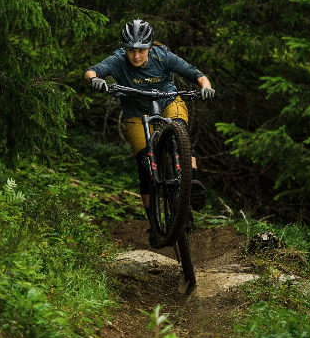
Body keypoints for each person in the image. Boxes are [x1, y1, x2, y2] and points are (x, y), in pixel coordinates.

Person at [83, 18, 215, 224]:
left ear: (150, 47)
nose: (136, 55)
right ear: (124, 48)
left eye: (141, 50)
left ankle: (191, 184)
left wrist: (205, 87)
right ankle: (153, 221)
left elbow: (196, 74)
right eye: (131, 50)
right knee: (145, 163)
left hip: (169, 101)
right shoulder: (118, 60)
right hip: (136, 113)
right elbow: (91, 71)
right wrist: (95, 80)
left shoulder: (162, 56)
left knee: (180, 134)